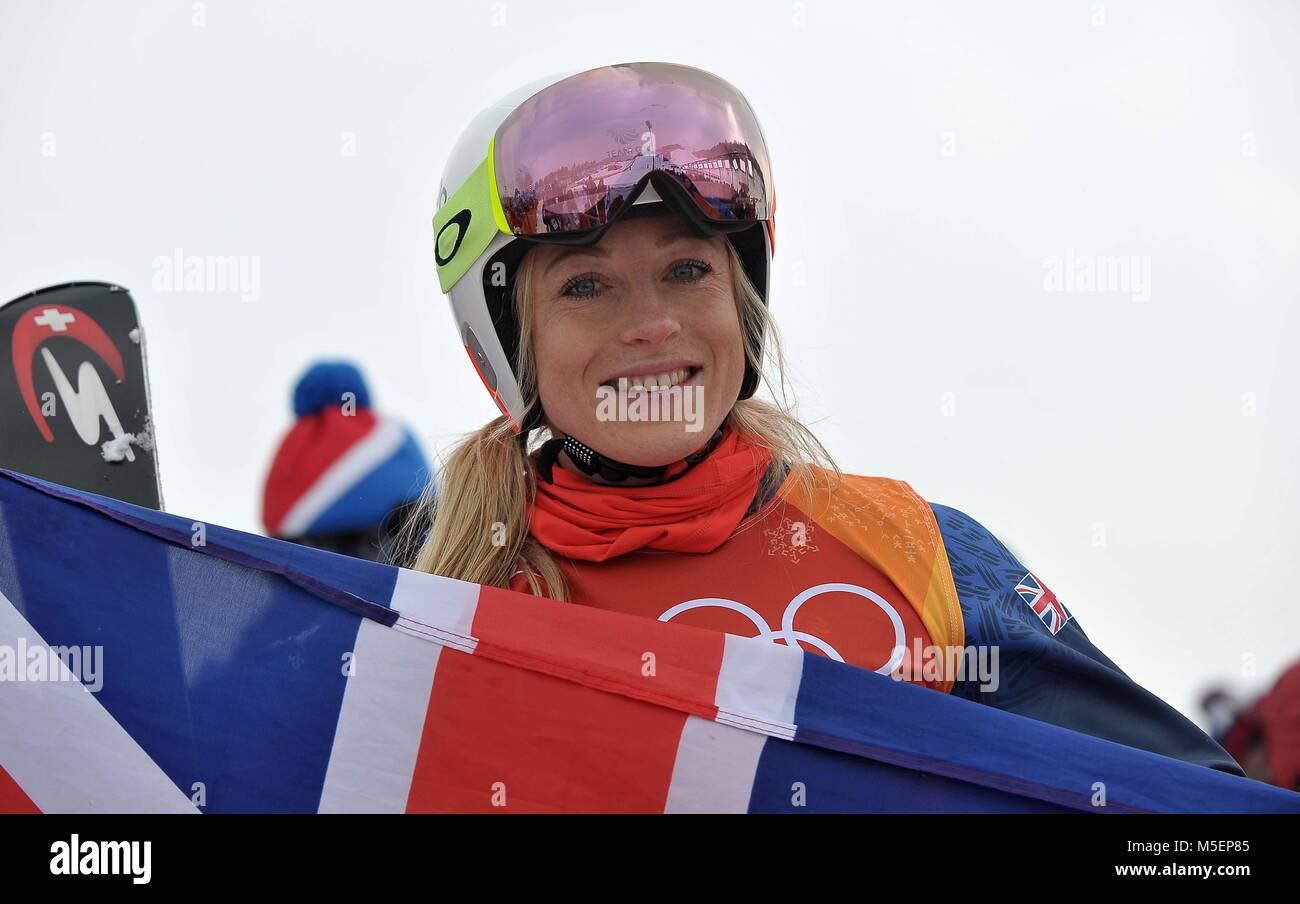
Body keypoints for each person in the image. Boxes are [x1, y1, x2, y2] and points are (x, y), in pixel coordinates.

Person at [415, 61, 1242, 774]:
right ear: (509, 343)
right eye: (585, 286)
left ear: (741, 308)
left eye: (687, 270)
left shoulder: (918, 551)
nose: (652, 325)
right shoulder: (445, 617)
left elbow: (1190, 813)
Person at [262, 360, 431, 562]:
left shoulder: (295, 446)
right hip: (396, 554)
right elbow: (424, 492)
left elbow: (275, 519)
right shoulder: (390, 434)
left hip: (312, 563)